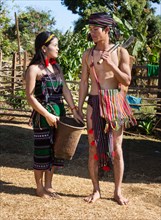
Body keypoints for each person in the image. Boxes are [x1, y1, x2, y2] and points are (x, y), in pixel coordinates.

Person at [78, 12, 137, 205]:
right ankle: (96, 190)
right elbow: (84, 83)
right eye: (91, 30)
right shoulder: (88, 54)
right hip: (94, 103)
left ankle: (117, 192)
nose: (92, 33)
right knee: (93, 148)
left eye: (96, 29)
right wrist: (79, 106)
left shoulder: (121, 53)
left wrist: (112, 64)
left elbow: (127, 79)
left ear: (107, 30)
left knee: (117, 149)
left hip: (115, 102)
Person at [25, 31, 83, 198]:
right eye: (55, 45)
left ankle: (49, 186)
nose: (58, 48)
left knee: (57, 151)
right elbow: (30, 97)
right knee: (42, 152)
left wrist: (74, 110)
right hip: (43, 117)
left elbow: (65, 89)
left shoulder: (56, 67)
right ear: (44, 48)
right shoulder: (33, 69)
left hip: (60, 116)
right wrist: (47, 115)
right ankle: (39, 188)